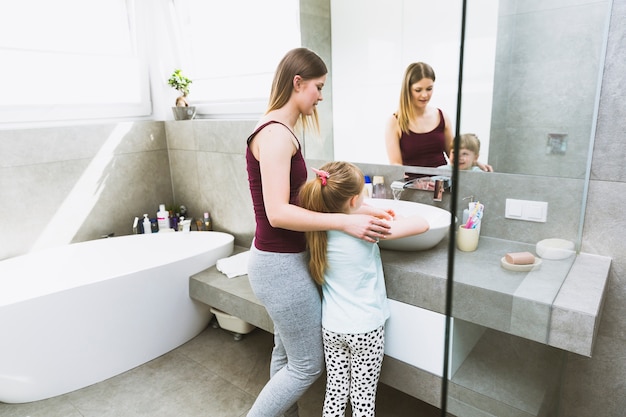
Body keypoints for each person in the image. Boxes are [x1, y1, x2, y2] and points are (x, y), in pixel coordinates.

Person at [245, 48, 393, 417]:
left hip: (276, 262)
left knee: (285, 354)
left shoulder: (279, 131)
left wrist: (362, 208)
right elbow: (278, 213)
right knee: (307, 365)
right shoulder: (278, 135)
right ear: (298, 83)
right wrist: (345, 221)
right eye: (318, 86)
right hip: (280, 267)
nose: (321, 96)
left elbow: (301, 199)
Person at [299, 161, 430, 417]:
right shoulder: (367, 230)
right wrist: (393, 216)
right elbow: (422, 223)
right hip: (365, 330)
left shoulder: (319, 228)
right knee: (362, 397)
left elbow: (349, 211)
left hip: (332, 327)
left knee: (335, 391)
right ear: (354, 200)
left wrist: (367, 209)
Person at [385, 62, 492, 173]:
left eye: (429, 89)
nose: (425, 95)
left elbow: (454, 154)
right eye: (418, 90)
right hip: (413, 186)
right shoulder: (395, 122)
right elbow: (396, 165)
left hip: (442, 184)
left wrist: (474, 163)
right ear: (408, 90)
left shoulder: (442, 117)